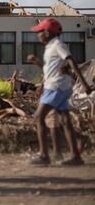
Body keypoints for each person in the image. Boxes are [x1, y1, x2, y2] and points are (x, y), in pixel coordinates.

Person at [28, 18, 93, 165]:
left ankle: (44, 155)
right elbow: (50, 70)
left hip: (56, 87)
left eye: (40, 32)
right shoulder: (50, 47)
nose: (38, 35)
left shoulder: (58, 45)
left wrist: (84, 84)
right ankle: (76, 157)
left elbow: (70, 60)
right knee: (65, 121)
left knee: (39, 117)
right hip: (58, 86)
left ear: (47, 32)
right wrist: (37, 63)